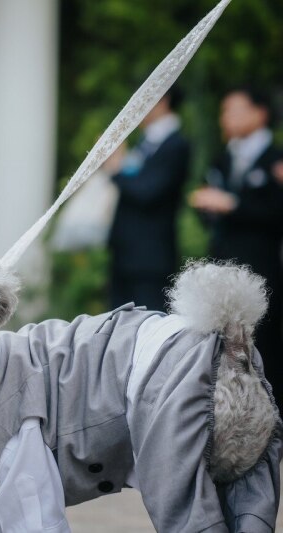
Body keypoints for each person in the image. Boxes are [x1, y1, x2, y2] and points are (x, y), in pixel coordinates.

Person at [190, 86, 283, 411]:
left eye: (234, 109)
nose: (225, 118)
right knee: (223, 343)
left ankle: (270, 419)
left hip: (264, 268)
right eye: (224, 111)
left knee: (264, 344)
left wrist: (232, 204)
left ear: (260, 112)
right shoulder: (222, 156)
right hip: (222, 265)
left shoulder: (276, 159)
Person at [104, 87, 190, 311]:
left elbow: (149, 192)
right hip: (126, 253)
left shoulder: (176, 145)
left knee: (147, 322)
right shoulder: (144, 142)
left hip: (151, 257)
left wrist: (116, 171)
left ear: (162, 101)